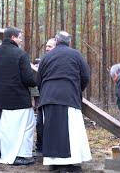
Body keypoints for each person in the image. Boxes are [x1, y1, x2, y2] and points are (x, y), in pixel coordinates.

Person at [37, 31, 91, 172]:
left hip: (48, 97)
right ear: (69, 42)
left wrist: (45, 92)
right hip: (68, 96)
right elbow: (85, 76)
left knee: (51, 131)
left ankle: (54, 163)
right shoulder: (76, 55)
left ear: (56, 40)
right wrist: (76, 89)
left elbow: (39, 78)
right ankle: (70, 163)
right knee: (70, 131)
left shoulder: (47, 57)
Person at [0, 27, 36, 165]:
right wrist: (38, 81)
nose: (21, 40)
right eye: (20, 37)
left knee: (4, 128)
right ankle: (19, 155)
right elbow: (28, 79)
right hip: (18, 99)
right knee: (25, 126)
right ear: (13, 37)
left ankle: (4, 154)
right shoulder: (21, 54)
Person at [34, 38, 56, 156]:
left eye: (50, 46)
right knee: (40, 123)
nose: (47, 48)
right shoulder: (43, 60)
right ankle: (40, 147)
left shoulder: (59, 60)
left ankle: (50, 148)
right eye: (47, 46)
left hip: (55, 97)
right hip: (42, 96)